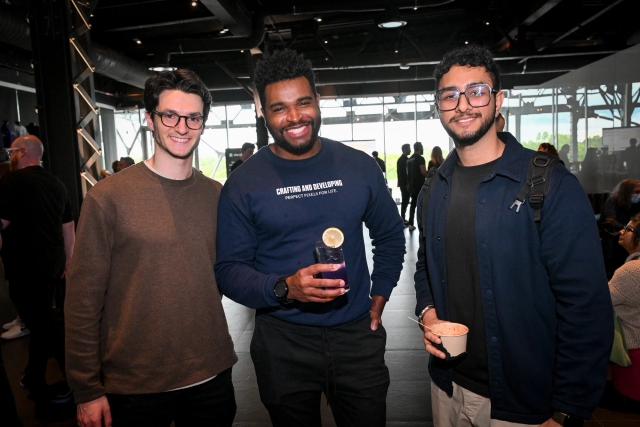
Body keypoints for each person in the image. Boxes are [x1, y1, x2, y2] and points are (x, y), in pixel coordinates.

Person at [414, 45, 612, 426]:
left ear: (498, 99)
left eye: (477, 91)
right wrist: (428, 313)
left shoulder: (549, 185)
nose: (463, 105)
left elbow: (586, 306)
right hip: (447, 388)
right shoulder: (434, 187)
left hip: (525, 404)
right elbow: (425, 264)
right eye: (449, 95)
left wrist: (568, 410)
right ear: (438, 105)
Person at [215, 48, 405, 427]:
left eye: (303, 102)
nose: (294, 117)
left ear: (318, 101)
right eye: (279, 108)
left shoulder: (359, 167)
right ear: (262, 111)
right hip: (282, 342)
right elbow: (229, 270)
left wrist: (379, 295)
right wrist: (285, 288)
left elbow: (390, 235)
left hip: (356, 337)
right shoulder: (242, 183)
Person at [65, 69, 238, 427]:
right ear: (149, 119)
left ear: (203, 123)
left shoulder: (217, 195)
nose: (182, 127)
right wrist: (86, 389)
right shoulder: (108, 198)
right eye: (169, 115)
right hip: (135, 387)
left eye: (193, 117)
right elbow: (82, 302)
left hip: (211, 376)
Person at [0, 135, 76, 403]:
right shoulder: (56, 183)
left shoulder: (10, 182)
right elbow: (68, 228)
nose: (10, 156)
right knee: (42, 321)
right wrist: (69, 261)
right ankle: (34, 375)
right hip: (53, 265)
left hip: (25, 267)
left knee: (43, 326)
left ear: (21, 152)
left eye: (11, 151)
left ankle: (78, 379)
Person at [609, 214, 640, 403]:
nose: (622, 231)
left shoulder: (632, 270)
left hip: (633, 353)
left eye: (628, 229)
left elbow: (600, 301)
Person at [601, 179, 640, 278]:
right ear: (627, 192)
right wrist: (629, 228)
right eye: (637, 192)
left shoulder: (637, 203)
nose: (638, 194)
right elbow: (609, 223)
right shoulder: (613, 201)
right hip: (614, 243)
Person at [407, 141, 426, 231]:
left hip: (411, 185)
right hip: (419, 185)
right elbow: (423, 172)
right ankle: (422, 224)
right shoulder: (420, 159)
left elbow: (407, 173)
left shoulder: (409, 159)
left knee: (413, 204)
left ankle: (411, 223)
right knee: (422, 204)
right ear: (420, 148)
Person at [397, 143, 411, 226]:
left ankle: (403, 217)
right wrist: (406, 184)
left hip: (404, 184)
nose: (410, 150)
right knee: (405, 200)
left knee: (405, 200)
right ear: (405, 149)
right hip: (405, 184)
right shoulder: (403, 160)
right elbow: (402, 174)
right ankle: (402, 218)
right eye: (409, 148)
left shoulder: (404, 159)